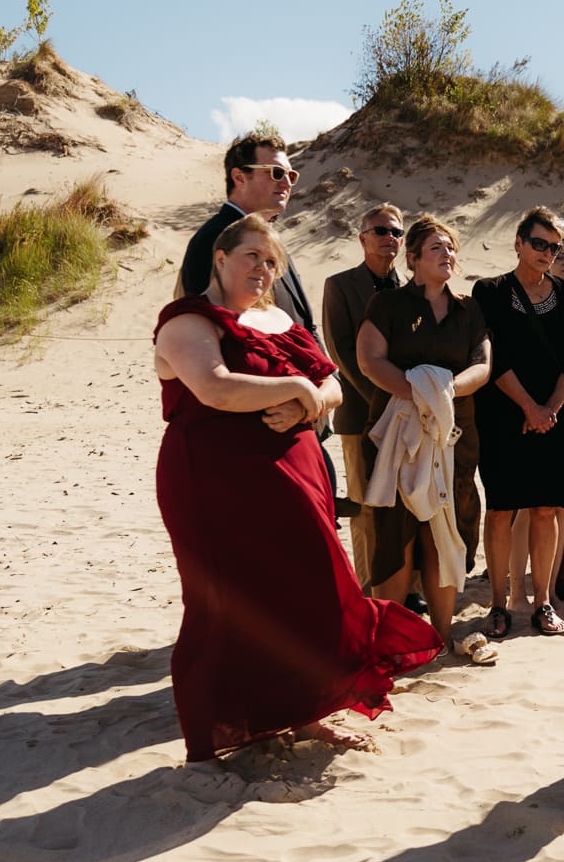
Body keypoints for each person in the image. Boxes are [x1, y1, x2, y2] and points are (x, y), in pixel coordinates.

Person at [153, 214, 441, 762]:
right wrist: (292, 388)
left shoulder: (278, 319)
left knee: (311, 587)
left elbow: (331, 382)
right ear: (220, 257)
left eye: (271, 261)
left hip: (296, 471)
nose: (263, 269)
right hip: (215, 479)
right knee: (227, 597)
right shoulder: (186, 320)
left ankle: (306, 712)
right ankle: (226, 726)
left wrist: (313, 398)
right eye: (252, 257)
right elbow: (214, 387)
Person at [356, 216, 491, 653]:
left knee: (446, 529)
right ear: (412, 258)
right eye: (436, 248)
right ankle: (389, 639)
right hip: (399, 434)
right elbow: (369, 360)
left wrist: (443, 396)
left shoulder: (468, 308)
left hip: (454, 436)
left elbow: (482, 365)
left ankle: (442, 633)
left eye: (451, 248)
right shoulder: (389, 305)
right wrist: (420, 396)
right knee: (397, 533)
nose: (447, 254)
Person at [473, 208, 564, 638]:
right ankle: (499, 606)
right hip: (504, 415)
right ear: (518, 242)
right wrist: (528, 408)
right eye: (539, 243)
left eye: (554, 247)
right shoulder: (491, 291)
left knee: (545, 510)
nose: (546, 253)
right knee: (501, 510)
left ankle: (543, 602)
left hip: (554, 416)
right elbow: (493, 357)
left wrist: (549, 409)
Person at [322, 203, 405, 587]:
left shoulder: (412, 285)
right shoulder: (340, 285)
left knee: (408, 503)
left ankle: (409, 587)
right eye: (381, 231)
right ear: (362, 238)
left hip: (410, 412)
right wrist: (382, 397)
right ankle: (369, 587)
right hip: (360, 412)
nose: (390, 238)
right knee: (365, 505)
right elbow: (339, 348)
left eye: (397, 232)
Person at [180, 132, 317, 335]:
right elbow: (208, 325)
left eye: (291, 175)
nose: (287, 183)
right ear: (239, 177)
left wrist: (325, 365)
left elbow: (305, 324)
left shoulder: (269, 241)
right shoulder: (214, 238)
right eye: (276, 173)